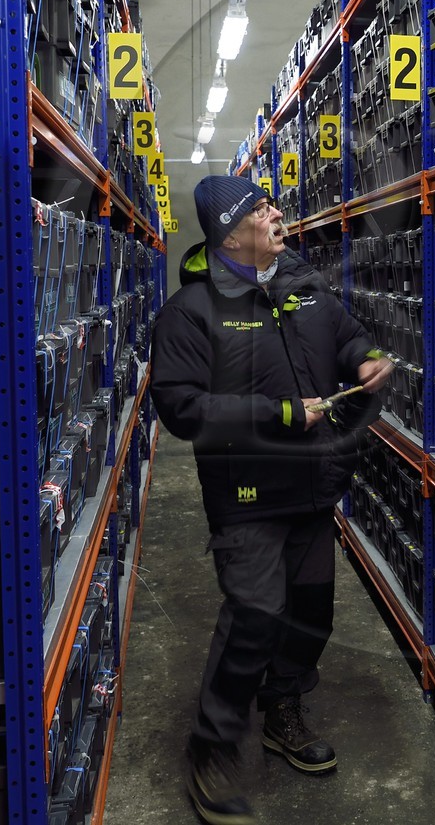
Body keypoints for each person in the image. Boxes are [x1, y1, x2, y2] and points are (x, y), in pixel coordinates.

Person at [152, 174, 394, 825]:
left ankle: (281, 712)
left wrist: (365, 356)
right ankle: (211, 749)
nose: (277, 213)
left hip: (315, 487)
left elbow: (344, 336)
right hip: (248, 495)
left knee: (310, 612)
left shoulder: (305, 287)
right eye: (261, 208)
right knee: (256, 615)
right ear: (231, 230)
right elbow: (180, 406)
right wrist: (280, 412)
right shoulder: (191, 311)